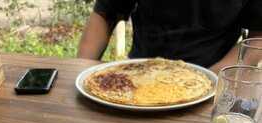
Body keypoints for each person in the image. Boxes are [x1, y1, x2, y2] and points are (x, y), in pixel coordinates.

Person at [78, 0, 262, 72]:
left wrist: (217, 76)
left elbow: (258, 36)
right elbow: (105, 14)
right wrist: (81, 69)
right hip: (135, 76)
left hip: (214, 75)